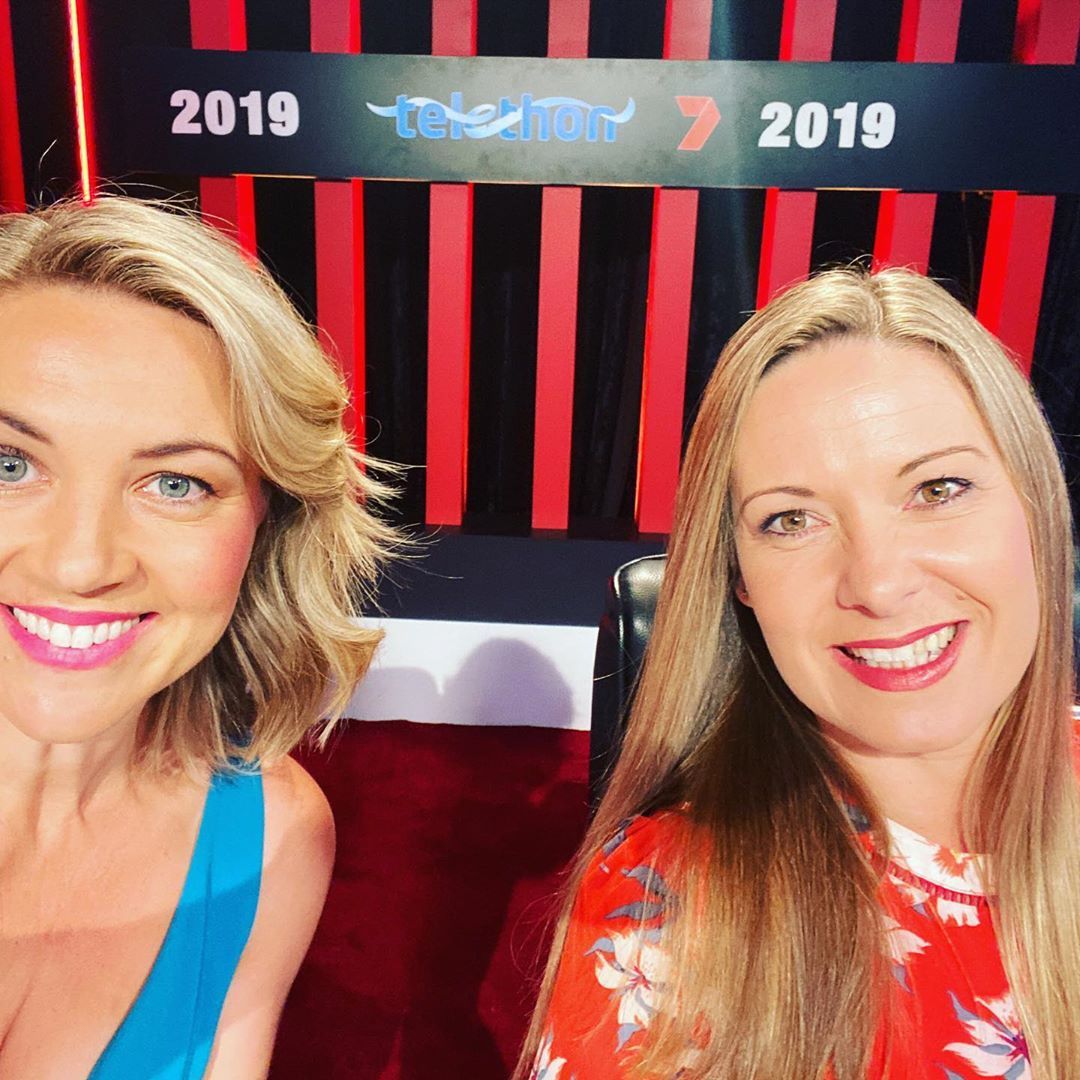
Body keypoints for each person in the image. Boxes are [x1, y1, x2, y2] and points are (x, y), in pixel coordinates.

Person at [516, 266, 1080, 1079]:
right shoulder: (667, 911)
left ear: (1036, 506)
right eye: (791, 520)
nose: (878, 585)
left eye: (938, 488)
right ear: (739, 577)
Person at [0, 196, 396, 1078]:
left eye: (176, 483)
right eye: (10, 464)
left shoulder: (273, 837)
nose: (80, 563)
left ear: (268, 524)